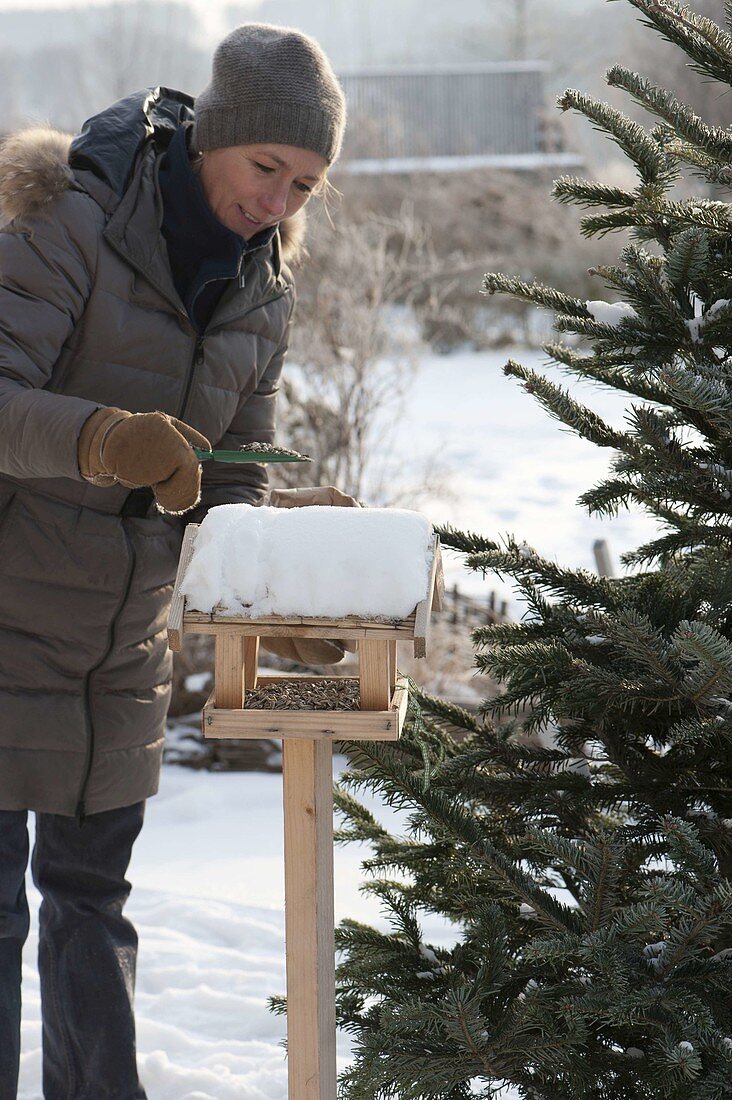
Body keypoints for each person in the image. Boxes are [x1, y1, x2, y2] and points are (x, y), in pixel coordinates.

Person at [0, 23, 350, 1099]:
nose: (279, 203)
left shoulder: (261, 292)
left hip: (120, 651)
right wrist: (106, 438)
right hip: (9, 613)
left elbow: (230, 481)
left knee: (92, 906)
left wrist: (268, 574)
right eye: (267, 170)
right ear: (216, 136)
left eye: (304, 185)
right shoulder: (70, 224)